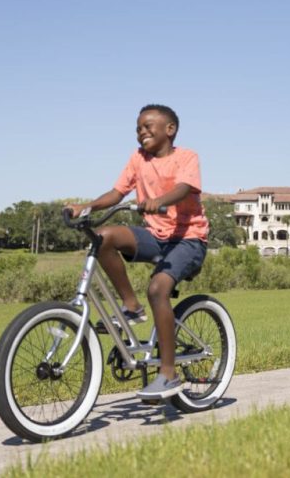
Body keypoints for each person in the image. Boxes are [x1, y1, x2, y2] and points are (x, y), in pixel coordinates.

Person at [66, 104, 209, 400]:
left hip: (188, 239)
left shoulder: (186, 157)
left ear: (170, 129)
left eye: (147, 126)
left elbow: (184, 188)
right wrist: (86, 207)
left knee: (157, 289)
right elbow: (117, 193)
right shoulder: (138, 158)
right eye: (138, 128)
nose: (141, 132)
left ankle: (168, 374)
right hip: (156, 236)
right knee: (103, 237)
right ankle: (131, 307)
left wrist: (159, 200)